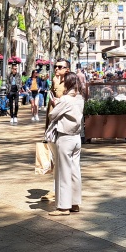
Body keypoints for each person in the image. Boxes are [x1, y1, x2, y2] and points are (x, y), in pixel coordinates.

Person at [46, 72, 84, 216]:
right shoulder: (80, 98)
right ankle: (75, 203)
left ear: (67, 83)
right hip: (76, 138)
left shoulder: (65, 99)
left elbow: (52, 115)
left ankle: (63, 207)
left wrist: (55, 103)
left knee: (63, 172)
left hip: (65, 137)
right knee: (75, 171)